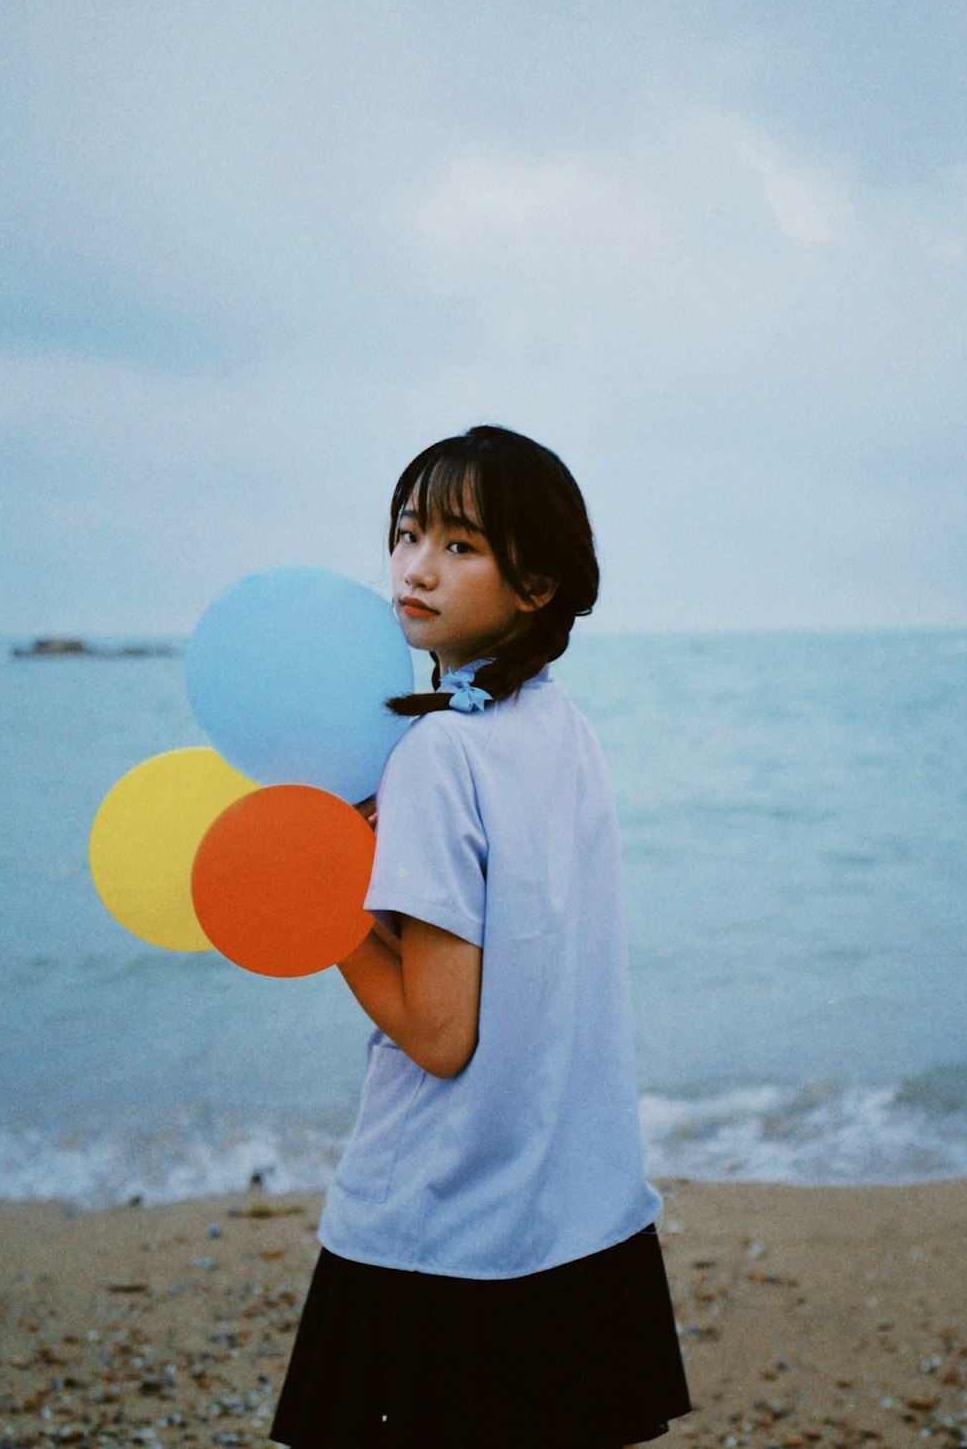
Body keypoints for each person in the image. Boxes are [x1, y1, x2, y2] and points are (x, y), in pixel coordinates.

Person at [270, 426, 691, 1448]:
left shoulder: (435, 752)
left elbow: (439, 1033)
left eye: (461, 546)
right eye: (410, 533)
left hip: (437, 1220)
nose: (416, 568)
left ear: (536, 583)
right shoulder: (558, 724)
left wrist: (314, 912)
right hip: (570, 1210)